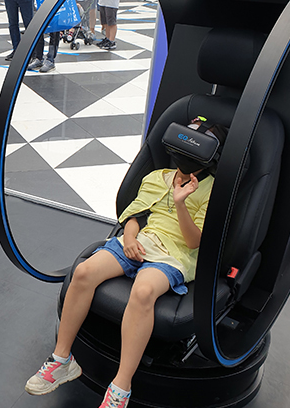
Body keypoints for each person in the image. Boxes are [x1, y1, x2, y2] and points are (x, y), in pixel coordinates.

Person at [25, 119, 228, 408]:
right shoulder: (157, 177)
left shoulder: (212, 191)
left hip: (175, 254)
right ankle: (62, 360)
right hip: (140, 241)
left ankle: (121, 387)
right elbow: (134, 216)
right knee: (83, 272)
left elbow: (194, 241)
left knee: (143, 291)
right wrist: (130, 238)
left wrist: (180, 202)